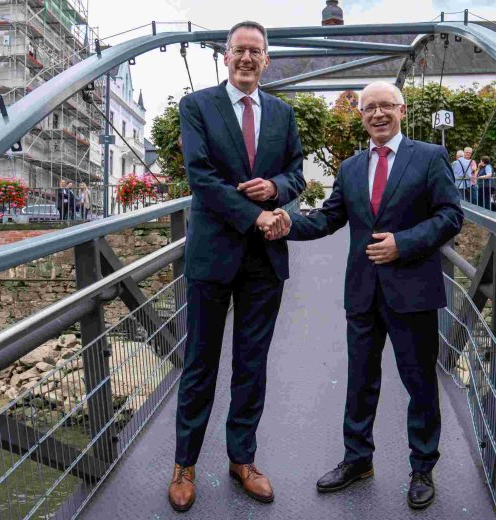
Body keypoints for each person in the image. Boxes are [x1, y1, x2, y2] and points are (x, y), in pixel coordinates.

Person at [267, 81, 463, 510]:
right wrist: (288, 222)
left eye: (385, 106)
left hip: (412, 290)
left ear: (401, 110)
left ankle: (422, 467)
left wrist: (403, 243)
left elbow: (450, 216)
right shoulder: (351, 167)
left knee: (420, 384)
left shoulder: (430, 157)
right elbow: (330, 218)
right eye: (368, 108)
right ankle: (358, 459)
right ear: (360, 115)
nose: (377, 114)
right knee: (360, 381)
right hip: (362, 291)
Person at [167, 20, 305, 512]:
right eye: (239, 50)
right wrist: (258, 215)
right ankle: (185, 463)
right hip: (213, 255)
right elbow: (201, 178)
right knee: (200, 365)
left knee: (252, 364)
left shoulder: (282, 113)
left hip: (264, 261)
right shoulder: (197, 106)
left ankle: (241, 459)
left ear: (266, 60)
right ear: (226, 56)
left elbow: (297, 173)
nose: (247, 58)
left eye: (256, 51)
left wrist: (277, 190)